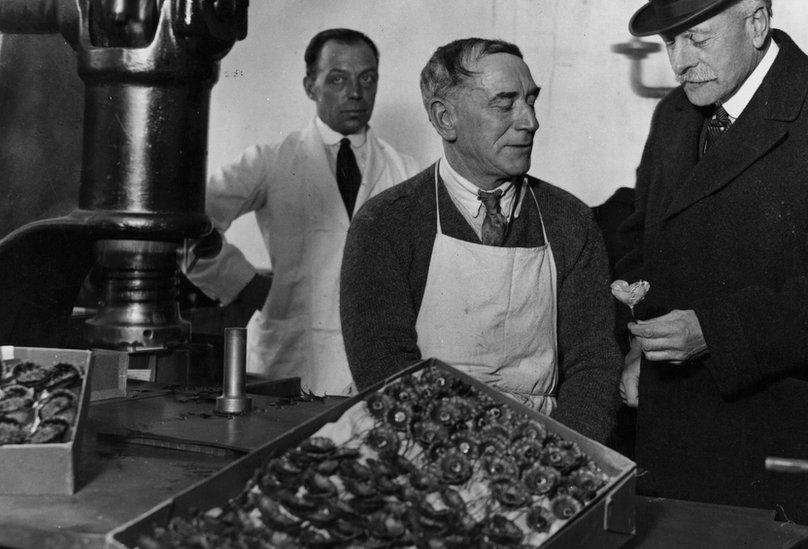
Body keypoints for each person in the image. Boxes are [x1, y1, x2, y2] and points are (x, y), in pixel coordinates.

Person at [615, 0, 808, 544]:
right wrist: (639, 323)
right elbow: (642, 232)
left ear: (755, 23)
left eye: (696, 40)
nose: (679, 61)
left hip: (788, 442)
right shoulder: (675, 115)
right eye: (669, 44)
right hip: (681, 431)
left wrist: (715, 333)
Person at [340, 38, 621, 443]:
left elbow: (593, 364)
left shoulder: (569, 220)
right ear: (444, 118)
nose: (529, 121)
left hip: (542, 446)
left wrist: (565, 457)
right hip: (417, 443)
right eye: (504, 103)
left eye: (530, 100)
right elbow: (385, 369)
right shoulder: (385, 224)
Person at [186, 29, 418, 395]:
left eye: (367, 78)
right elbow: (188, 220)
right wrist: (243, 283)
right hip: (291, 357)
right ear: (311, 86)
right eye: (338, 79)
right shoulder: (272, 160)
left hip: (374, 362)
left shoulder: (406, 172)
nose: (356, 93)